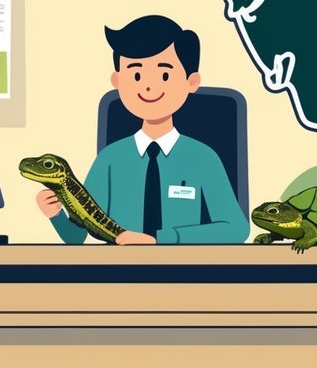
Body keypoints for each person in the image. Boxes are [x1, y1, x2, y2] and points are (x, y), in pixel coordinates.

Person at [36, 15, 249, 245]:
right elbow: (77, 237)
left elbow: (236, 230)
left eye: (164, 75)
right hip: (119, 266)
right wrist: (55, 214)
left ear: (191, 82)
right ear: (118, 81)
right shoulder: (110, 159)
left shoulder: (203, 158)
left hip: (183, 266)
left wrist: (160, 239)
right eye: (136, 75)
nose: (148, 86)